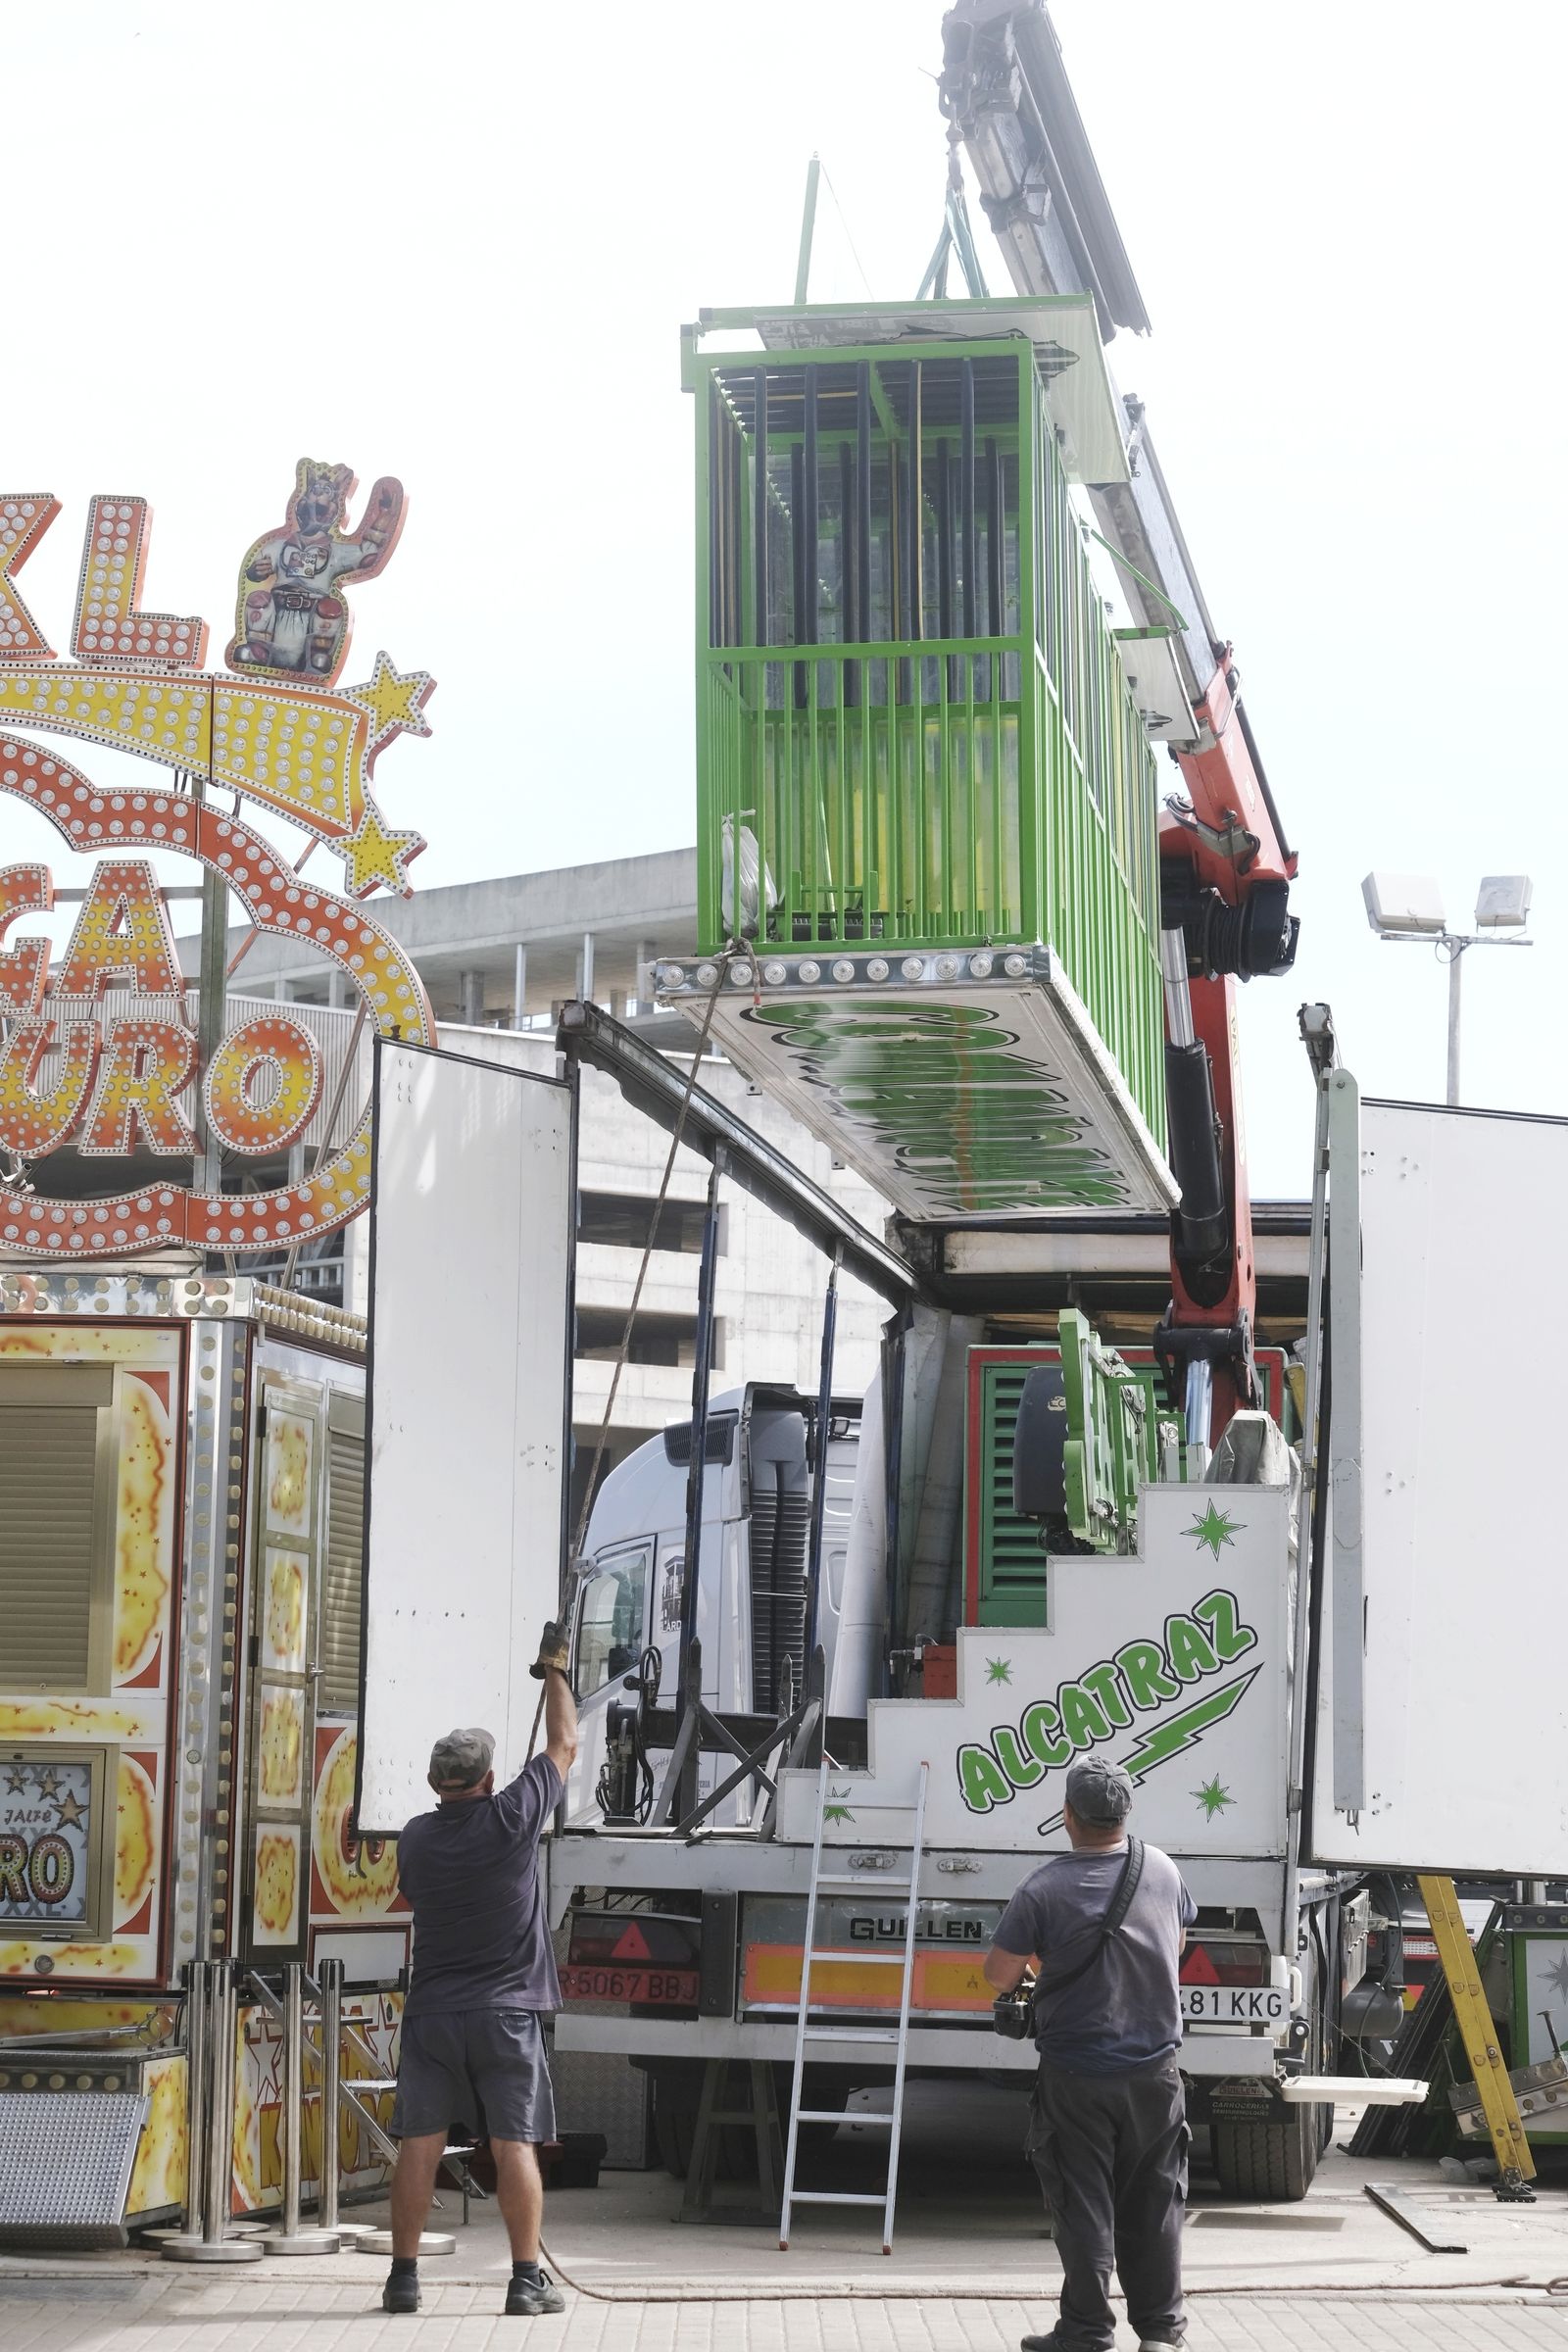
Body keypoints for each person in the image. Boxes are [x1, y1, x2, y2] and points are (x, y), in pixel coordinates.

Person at [382, 1621, 578, 2318]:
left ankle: (403, 2279)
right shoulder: (512, 1817)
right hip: (506, 2012)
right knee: (514, 2141)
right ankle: (526, 2281)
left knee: (420, 2142)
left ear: (437, 1782)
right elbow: (564, 1745)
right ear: (488, 1779)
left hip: (434, 2013)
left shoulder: (415, 1839)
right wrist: (555, 1671)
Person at [984, 1756, 1197, 2352]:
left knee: (1083, 2203)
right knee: (1155, 2202)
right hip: (1156, 2072)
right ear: (1126, 1813)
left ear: (1068, 1816)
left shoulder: (1043, 1888)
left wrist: (1043, 1964)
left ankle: (1084, 2333)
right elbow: (1174, 1944)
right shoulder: (1160, 1868)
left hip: (1076, 2075)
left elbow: (998, 1976)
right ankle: (1159, 2336)